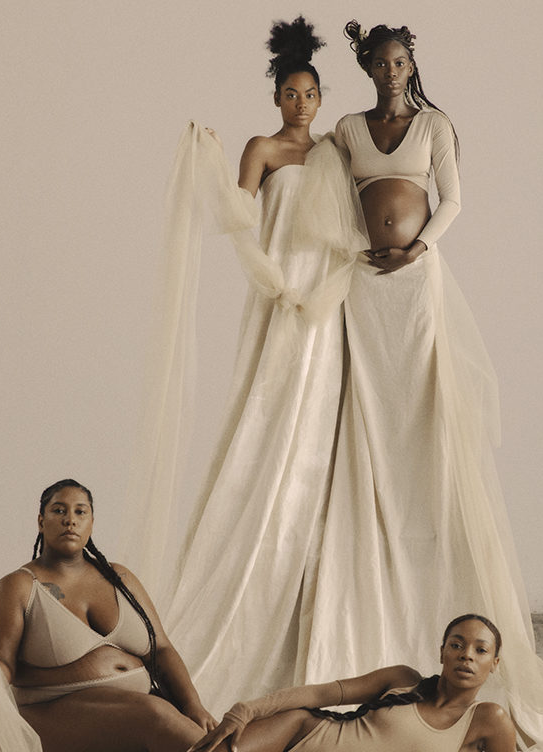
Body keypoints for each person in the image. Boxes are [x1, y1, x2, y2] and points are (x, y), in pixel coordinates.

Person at [297, 21, 543, 748]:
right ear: (366, 66)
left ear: (411, 63)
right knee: (368, 407)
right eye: (379, 62)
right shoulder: (348, 129)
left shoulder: (434, 124)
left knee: (421, 409)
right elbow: (320, 188)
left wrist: (417, 246)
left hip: (416, 280)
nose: (390, 70)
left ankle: (421, 534)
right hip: (363, 277)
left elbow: (453, 199)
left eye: (400, 60)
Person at [124, 17, 364, 712]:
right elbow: (238, 215)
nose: (301, 104)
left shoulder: (334, 153)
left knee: (319, 426)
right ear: (276, 97)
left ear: (320, 98)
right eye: (290, 93)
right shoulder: (262, 148)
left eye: (310, 94)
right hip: (278, 295)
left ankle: (308, 577)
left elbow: (351, 228)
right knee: (264, 416)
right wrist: (211, 158)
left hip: (326, 302)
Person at [13, 614, 526, 752]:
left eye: (480, 649)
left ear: (494, 664)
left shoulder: (487, 721)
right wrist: (250, 710)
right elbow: (322, 695)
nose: (466, 654)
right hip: (296, 736)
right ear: (442, 651)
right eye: (457, 643)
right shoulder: (403, 679)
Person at [0, 479, 215, 752]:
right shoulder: (17, 588)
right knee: (160, 717)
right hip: (55, 715)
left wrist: (193, 705)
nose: (70, 520)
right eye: (59, 510)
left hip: (138, 706)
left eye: (80, 512)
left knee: (216, 743)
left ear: (91, 523)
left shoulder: (120, 578)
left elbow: (161, 649)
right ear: (41, 521)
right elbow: (2, 664)